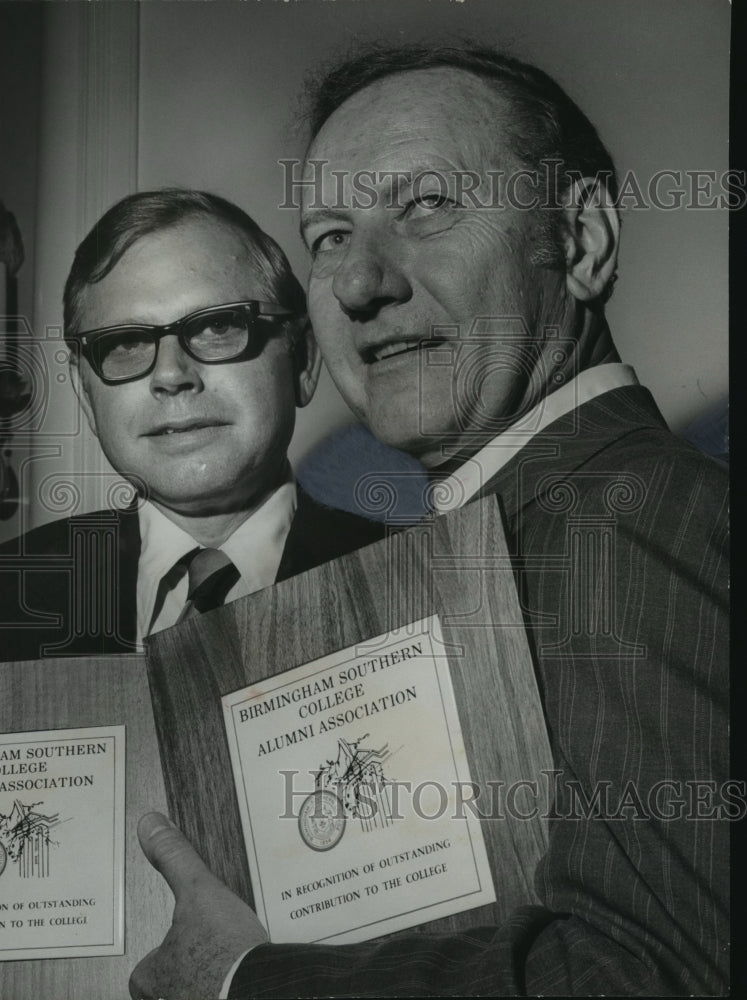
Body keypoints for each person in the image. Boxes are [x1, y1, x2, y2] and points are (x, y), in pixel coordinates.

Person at [130, 48, 730, 997]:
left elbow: (648, 980)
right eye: (328, 235)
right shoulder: (503, 535)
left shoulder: (618, 525)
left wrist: (243, 981)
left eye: (426, 207)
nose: (360, 282)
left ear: (579, 243)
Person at [0, 189, 382, 661]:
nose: (170, 375)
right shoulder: (10, 595)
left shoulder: (414, 578)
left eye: (217, 326)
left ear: (302, 360)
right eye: (126, 341)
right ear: (86, 395)